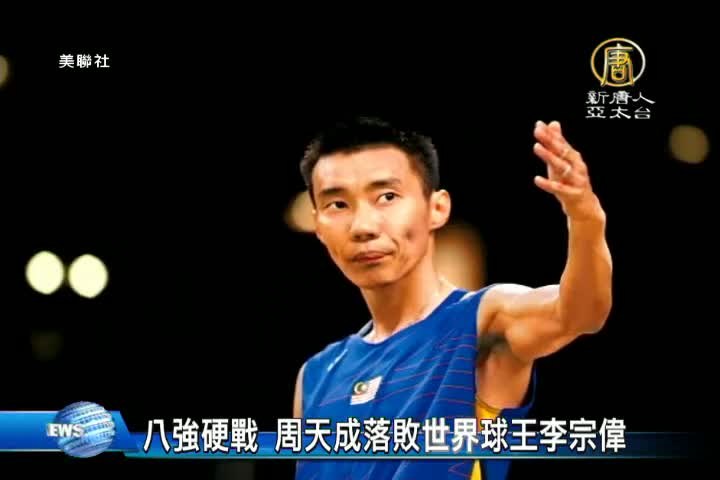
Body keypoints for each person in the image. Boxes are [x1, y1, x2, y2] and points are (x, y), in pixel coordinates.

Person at [292, 116, 612, 480]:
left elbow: (581, 313)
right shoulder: (316, 375)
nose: (363, 227)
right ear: (318, 226)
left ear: (437, 208)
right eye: (337, 204)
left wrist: (585, 218)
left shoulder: (482, 321)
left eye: (386, 197)